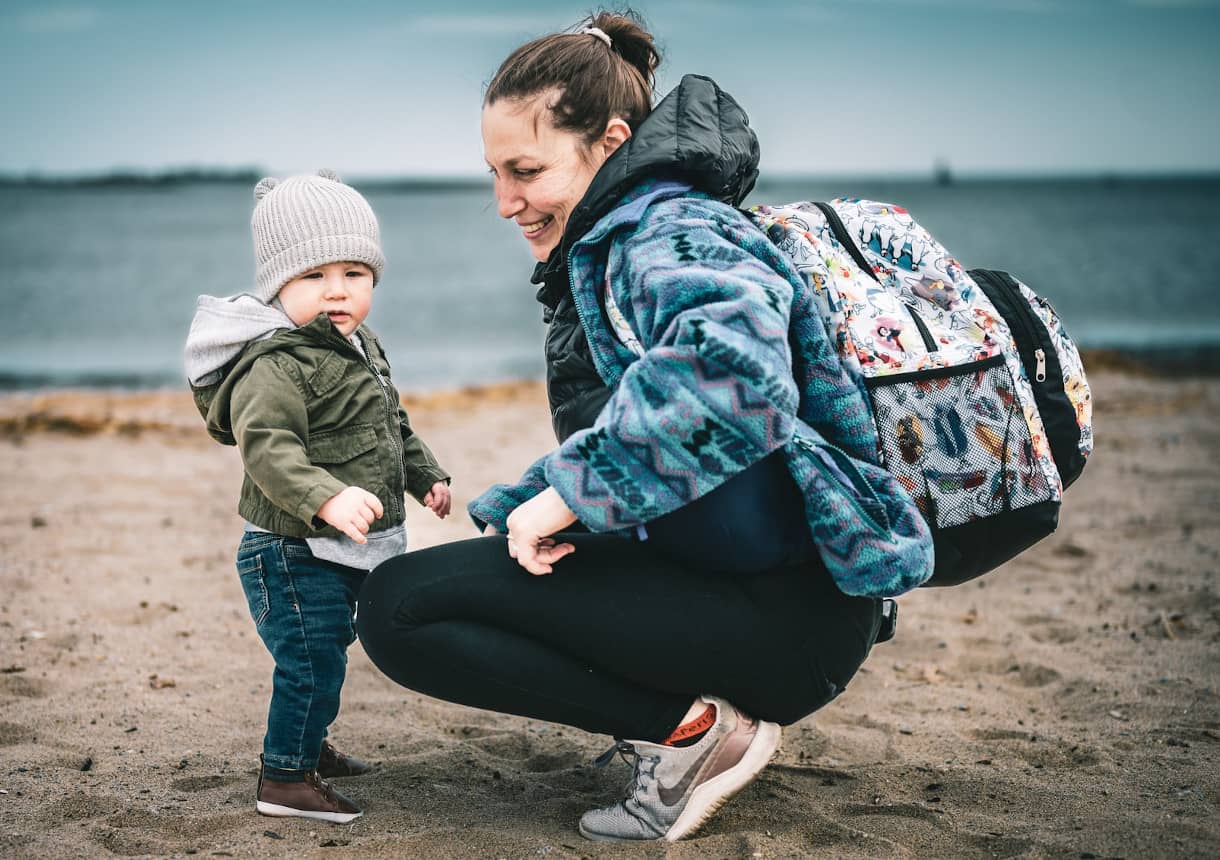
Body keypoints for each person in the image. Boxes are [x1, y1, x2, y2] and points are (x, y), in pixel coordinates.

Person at [356, 12, 930, 843]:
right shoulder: (629, 234)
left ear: (609, 141)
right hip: (756, 589)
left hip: (787, 618)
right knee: (412, 596)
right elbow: (661, 423)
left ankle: (695, 739)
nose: (504, 201)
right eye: (494, 172)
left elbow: (737, 379)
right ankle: (690, 726)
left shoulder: (668, 230)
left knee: (401, 614)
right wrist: (528, 503)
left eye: (525, 170)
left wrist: (568, 495)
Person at [183, 169, 452, 824]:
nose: (337, 290)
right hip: (291, 548)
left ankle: (307, 748)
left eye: (354, 274)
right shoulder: (277, 361)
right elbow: (269, 448)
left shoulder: (361, 344)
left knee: (325, 656)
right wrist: (326, 498)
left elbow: (391, 421)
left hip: (340, 548)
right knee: (310, 662)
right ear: (279, 285)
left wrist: (425, 476)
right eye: (314, 277)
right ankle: (284, 780)